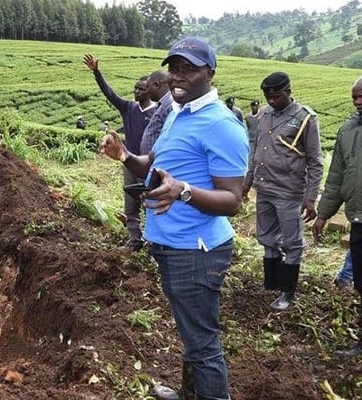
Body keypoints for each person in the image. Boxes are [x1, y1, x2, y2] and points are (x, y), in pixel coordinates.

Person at [100, 37, 248, 400]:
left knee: (203, 342)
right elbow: (152, 166)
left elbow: (233, 201)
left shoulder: (222, 125)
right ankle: (189, 393)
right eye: (174, 68)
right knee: (191, 330)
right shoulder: (178, 114)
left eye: (190, 69)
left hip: (195, 250)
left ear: (210, 73)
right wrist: (123, 156)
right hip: (171, 243)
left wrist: (183, 191)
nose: (178, 76)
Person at [243, 71, 323, 311]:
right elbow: (256, 152)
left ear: (288, 92)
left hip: (289, 192)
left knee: (292, 242)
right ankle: (272, 284)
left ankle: (288, 291)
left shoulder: (305, 118)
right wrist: (247, 184)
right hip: (265, 188)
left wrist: (310, 198)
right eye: (268, 97)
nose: (271, 101)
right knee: (267, 238)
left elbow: (315, 161)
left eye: (276, 96)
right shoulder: (265, 114)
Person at [84, 53, 157, 251]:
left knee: (151, 202)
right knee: (130, 203)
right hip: (129, 161)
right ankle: (134, 240)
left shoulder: (158, 113)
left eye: (141, 89)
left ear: (150, 91)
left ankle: (154, 242)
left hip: (150, 165)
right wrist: (97, 73)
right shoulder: (129, 108)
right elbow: (110, 94)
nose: (137, 91)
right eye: (136, 88)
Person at [313, 76, 362, 356]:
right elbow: (336, 178)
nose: (358, 102)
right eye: (354, 97)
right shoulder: (347, 130)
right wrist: (323, 214)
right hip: (358, 220)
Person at [139, 70, 172, 155]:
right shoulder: (163, 104)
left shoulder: (169, 105)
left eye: (148, 87)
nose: (147, 91)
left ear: (157, 85)